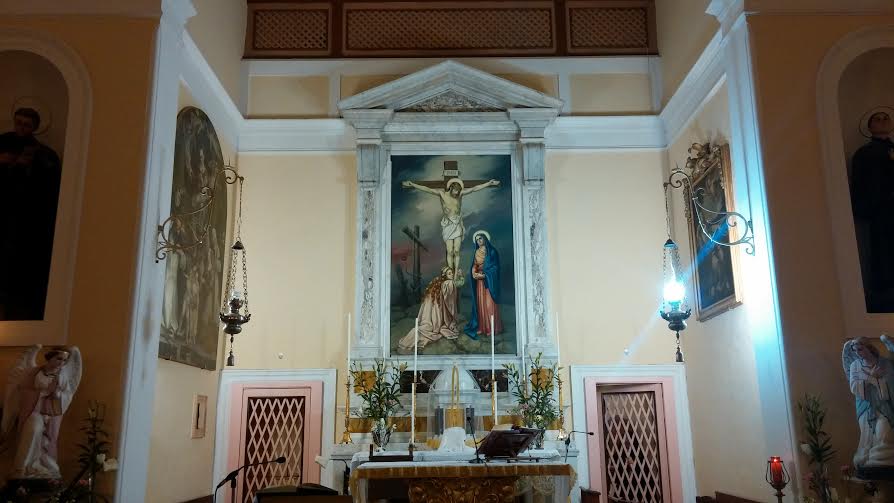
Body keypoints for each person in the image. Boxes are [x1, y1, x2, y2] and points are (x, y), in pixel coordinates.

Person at [0, 108, 62, 320]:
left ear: (34, 127)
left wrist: (28, 167)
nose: (21, 128)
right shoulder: (3, 142)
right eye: (19, 122)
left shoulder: (42, 153)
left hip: (21, 218)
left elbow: (45, 188)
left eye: (27, 125)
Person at [1, 345, 82, 480]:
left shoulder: (62, 377)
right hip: (33, 410)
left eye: (64, 360)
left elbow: (67, 395)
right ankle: (22, 468)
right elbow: (23, 391)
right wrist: (44, 392)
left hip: (50, 416)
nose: (62, 363)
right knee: (33, 428)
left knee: (46, 442)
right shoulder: (34, 372)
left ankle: (41, 467)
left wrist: (58, 395)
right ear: (50, 358)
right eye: (59, 359)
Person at [401, 177, 500, 279]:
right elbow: (427, 189)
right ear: (451, 188)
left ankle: (456, 272)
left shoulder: (460, 195)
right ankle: (450, 272)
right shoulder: (442, 194)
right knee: (449, 251)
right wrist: (413, 184)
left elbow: (474, 188)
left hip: (457, 225)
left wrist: (488, 183)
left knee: (456, 251)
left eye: (458, 191)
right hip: (448, 225)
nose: (456, 193)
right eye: (455, 191)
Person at [851, 111, 894, 312]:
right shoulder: (864, 153)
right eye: (877, 119)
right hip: (881, 212)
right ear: (869, 126)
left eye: (886, 118)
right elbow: (860, 183)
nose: (883, 121)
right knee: (883, 253)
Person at [843, 336, 894, 475]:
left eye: (860, 349)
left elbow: (891, 382)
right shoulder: (855, 365)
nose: (858, 353)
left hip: (884, 405)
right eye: (855, 350)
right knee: (867, 435)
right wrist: (872, 377)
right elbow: (854, 386)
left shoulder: (884, 363)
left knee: (885, 432)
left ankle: (882, 458)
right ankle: (866, 458)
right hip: (865, 405)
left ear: (869, 348)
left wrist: (880, 380)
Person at [398, 266, 460, 352]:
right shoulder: (448, 283)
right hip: (435, 316)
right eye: (449, 274)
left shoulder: (438, 283)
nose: (452, 275)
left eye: (452, 273)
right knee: (427, 329)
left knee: (426, 327)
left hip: (431, 315)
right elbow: (448, 300)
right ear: (444, 275)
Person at [464, 230, 502, 340]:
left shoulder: (492, 252)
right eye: (477, 240)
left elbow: (495, 268)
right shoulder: (477, 252)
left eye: (480, 238)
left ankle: (492, 328)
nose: (478, 241)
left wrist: (486, 275)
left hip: (489, 282)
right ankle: (482, 327)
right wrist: (473, 272)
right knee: (481, 304)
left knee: (489, 305)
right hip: (479, 282)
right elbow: (475, 265)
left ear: (485, 238)